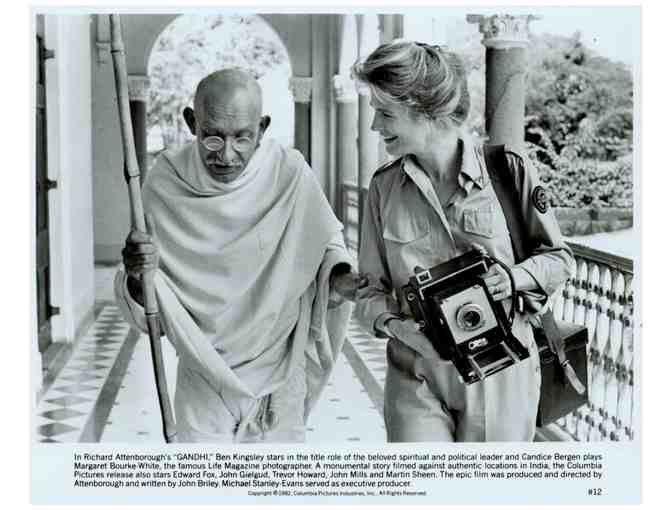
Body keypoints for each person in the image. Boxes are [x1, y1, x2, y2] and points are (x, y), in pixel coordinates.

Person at [115, 69, 363, 443]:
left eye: (242, 137)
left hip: (281, 370)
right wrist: (137, 273)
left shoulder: (289, 172)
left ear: (262, 129)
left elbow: (327, 250)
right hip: (203, 371)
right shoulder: (166, 181)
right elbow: (148, 304)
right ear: (191, 122)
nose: (227, 155)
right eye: (212, 137)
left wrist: (343, 281)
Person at [352, 40, 575, 442]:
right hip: (416, 372)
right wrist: (401, 330)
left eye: (385, 113)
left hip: (502, 374)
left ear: (426, 110)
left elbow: (559, 259)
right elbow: (370, 291)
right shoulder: (383, 188)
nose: (375, 126)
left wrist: (513, 279)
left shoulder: (507, 170)